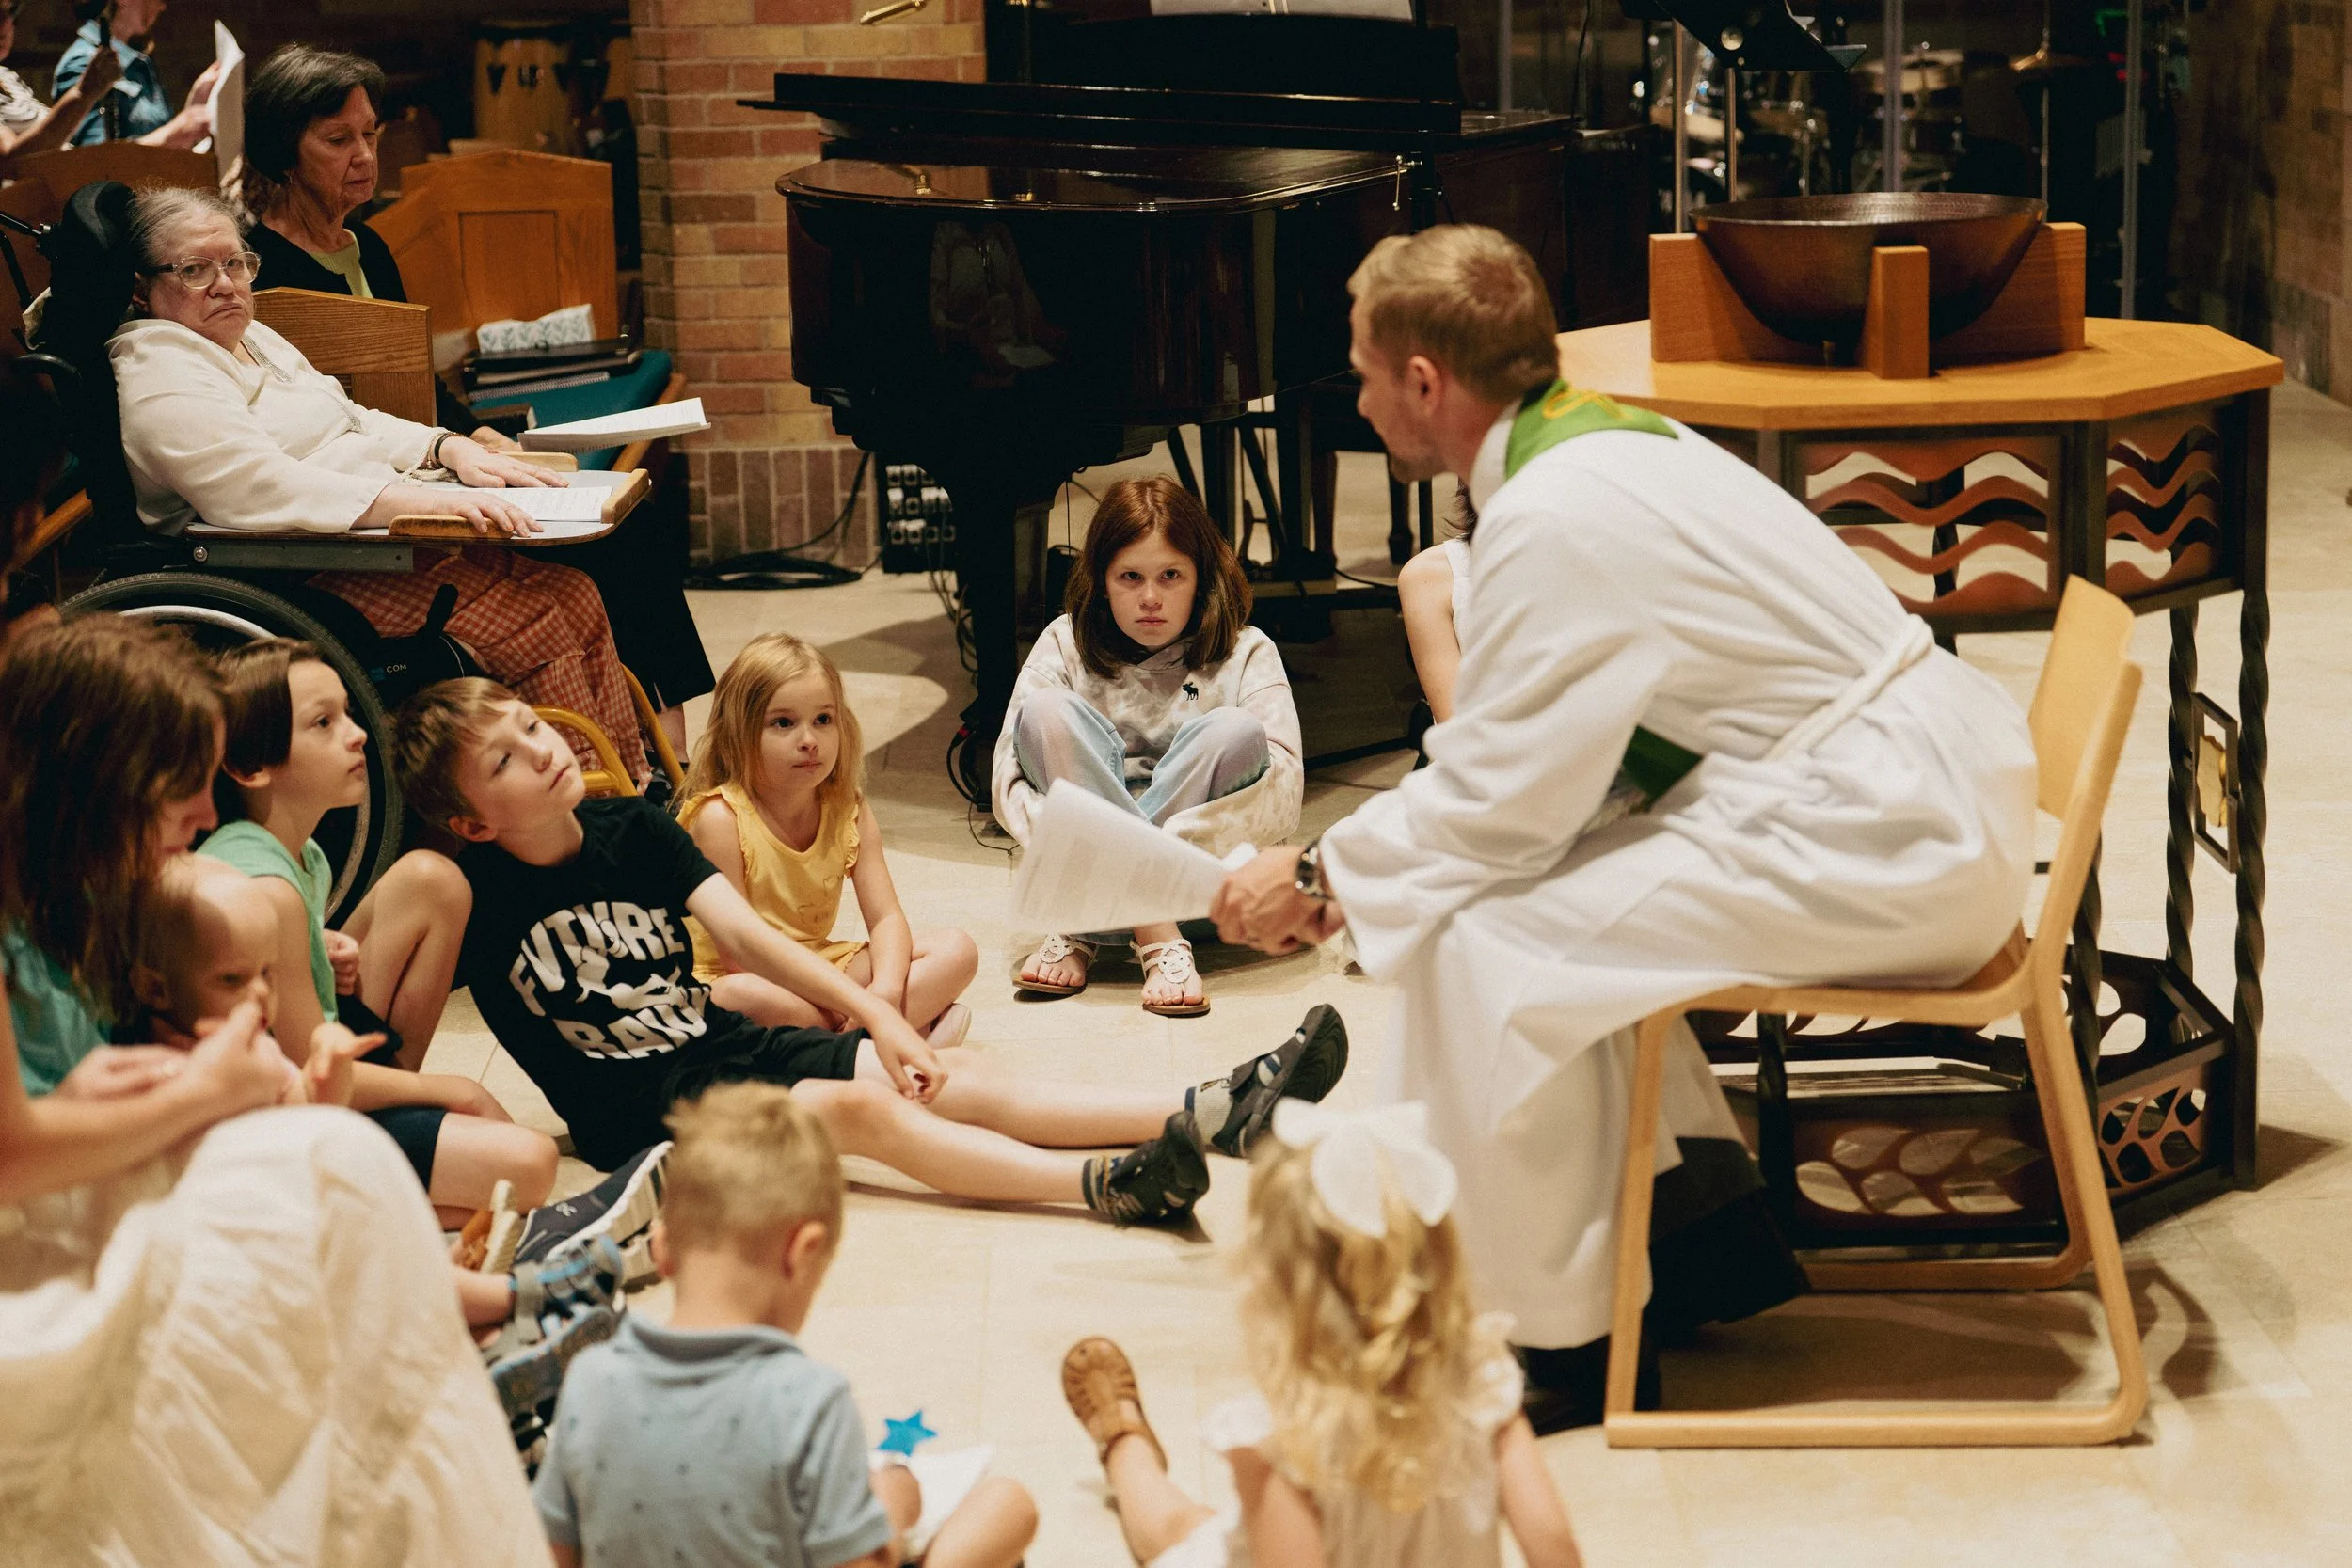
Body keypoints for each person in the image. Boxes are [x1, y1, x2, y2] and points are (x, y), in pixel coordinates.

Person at [1211, 224, 2037, 1431]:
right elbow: (1556, 775)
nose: (1362, 399)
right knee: (1520, 904)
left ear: (1425, 382)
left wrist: (1321, 870)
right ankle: (1695, 1241)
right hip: (1870, 792)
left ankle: (1562, 1339)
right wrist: (1366, 872)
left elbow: (1505, 796)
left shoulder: (1556, 511)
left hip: (1884, 828)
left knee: (1487, 941)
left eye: (1365, 373)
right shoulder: (1601, 444)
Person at [386, 676, 1353, 1224]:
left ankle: (1211, 1108)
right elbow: (380, 994)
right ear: (470, 820)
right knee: (864, 1109)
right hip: (637, 1111)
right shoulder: (468, 891)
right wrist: (425, 1092)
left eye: (529, 724)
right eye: (504, 758)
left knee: (944, 1070)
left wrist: (881, 1019)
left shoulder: (631, 827)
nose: (540, 746)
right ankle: (1105, 1185)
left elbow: (746, 935)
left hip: (717, 1048)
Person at [0, 613, 548, 1562]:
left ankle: (437, 1370)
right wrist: (203, 1087)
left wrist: (130, 1084)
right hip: (42, 1240)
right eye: (180, 786)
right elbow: (17, 1152)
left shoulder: (83, 898)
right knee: (331, 1162)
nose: (202, 814)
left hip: (81, 1188)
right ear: (98, 784)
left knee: (327, 1159)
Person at [239, 42, 715, 740]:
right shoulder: (262, 276)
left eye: (370, 134)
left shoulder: (368, 246)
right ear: (283, 149)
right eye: (338, 140)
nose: (364, 156)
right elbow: (329, 412)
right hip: (376, 497)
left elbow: (411, 375)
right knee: (600, 548)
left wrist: (475, 433)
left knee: (628, 519)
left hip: (434, 453)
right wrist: (452, 448)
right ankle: (645, 748)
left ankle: (667, 741)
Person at [109, 184, 650, 782]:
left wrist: (448, 448)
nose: (224, 284)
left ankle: (630, 786)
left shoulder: (249, 337)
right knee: (533, 621)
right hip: (298, 562)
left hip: (372, 536)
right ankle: (581, 808)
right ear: (141, 288)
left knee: (575, 593)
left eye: (235, 263)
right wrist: (418, 502)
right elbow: (254, 486)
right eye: (194, 270)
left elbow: (351, 417)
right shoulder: (159, 366)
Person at [536, 1082, 1040, 1568]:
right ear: (804, 1253)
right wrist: (892, 1506)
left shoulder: (589, 1380)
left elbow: (552, 1555)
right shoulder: (811, 1402)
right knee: (1006, 1505)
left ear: (662, 1250)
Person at [1061, 1101, 1582, 1568]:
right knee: (1196, 1527)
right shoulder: (1481, 1386)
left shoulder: (1285, 1440)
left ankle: (1125, 1442)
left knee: (1177, 1530)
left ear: (1275, 1289)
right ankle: (1125, 1444)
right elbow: (1554, 1544)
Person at [197, 636, 560, 1224]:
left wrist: (317, 943)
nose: (358, 734)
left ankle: (391, 1126)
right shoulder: (266, 888)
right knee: (530, 1165)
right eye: (323, 723)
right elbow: (306, 1073)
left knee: (433, 880)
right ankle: (320, 1208)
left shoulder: (301, 852)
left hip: (322, 1064)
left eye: (346, 713)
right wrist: (452, 1089)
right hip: (283, 1114)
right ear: (251, 767)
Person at [995, 476, 1302, 1015]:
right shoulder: (1064, 641)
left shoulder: (1248, 651)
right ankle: (1154, 932)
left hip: (1196, 895)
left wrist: (1125, 859)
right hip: (1095, 889)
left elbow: (1283, 791)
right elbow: (1008, 779)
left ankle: (1108, 922)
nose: (1151, 598)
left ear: (1200, 578)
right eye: (1130, 577)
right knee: (1044, 713)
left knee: (1234, 730)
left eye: (1171, 576)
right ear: (1101, 581)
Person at [681, 631, 977, 1045]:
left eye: (823, 720)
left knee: (957, 950)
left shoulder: (846, 807)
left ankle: (849, 1040)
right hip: (748, 977)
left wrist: (886, 991)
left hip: (819, 965)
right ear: (737, 733)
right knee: (738, 997)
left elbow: (886, 918)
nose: (809, 741)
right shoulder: (719, 818)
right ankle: (886, 1036)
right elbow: (739, 957)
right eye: (783, 723)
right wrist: (858, 1003)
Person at [128, 852, 377, 1105]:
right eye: (231, 979)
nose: (261, 991)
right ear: (156, 989)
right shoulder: (144, 1072)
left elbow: (310, 1107)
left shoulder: (260, 1051)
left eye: (266, 972)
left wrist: (334, 1067)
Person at [50, 0, 215, 149]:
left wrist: (194, 106)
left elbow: (157, 136)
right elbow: (94, 159)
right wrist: (175, 132)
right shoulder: (83, 63)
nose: (162, 6)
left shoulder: (138, 61)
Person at [0, 0, 124, 167]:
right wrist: (83, 93)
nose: (6, 24)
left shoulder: (8, 78)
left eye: (10, 11)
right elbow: (11, 164)